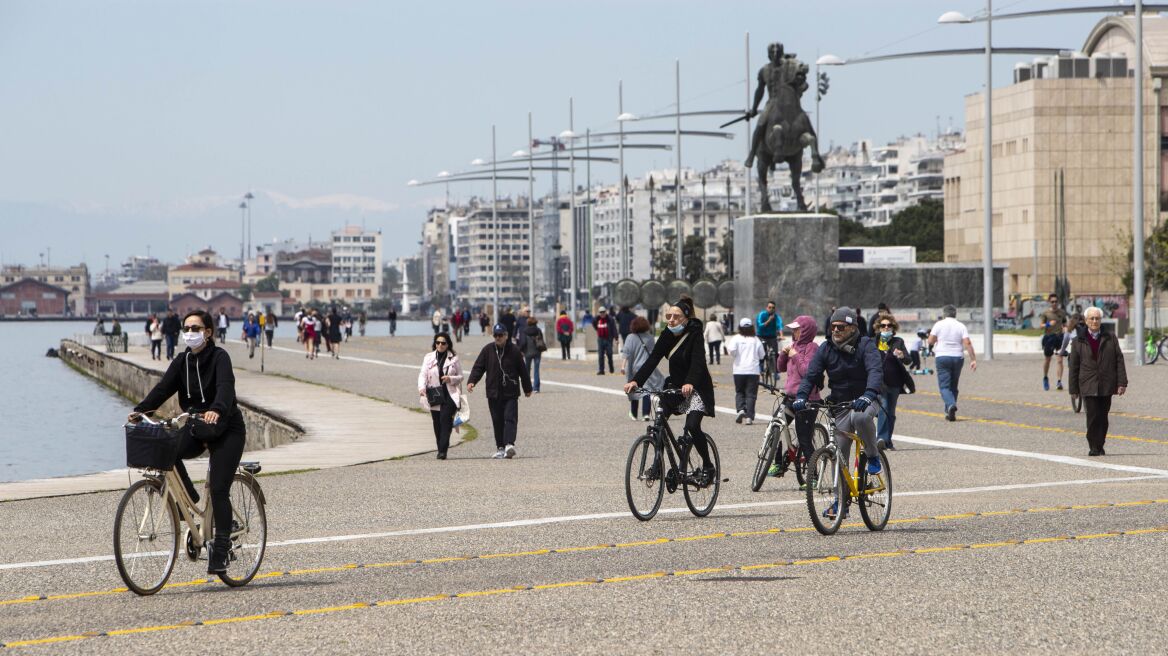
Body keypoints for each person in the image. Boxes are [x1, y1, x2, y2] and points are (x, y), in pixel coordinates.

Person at [129, 309, 245, 574]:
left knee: (218, 488)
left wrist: (216, 408)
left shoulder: (219, 357)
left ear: (208, 332)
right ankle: (190, 501)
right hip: (197, 427)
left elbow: (226, 387)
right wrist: (141, 411)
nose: (190, 333)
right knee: (166, 450)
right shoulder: (182, 361)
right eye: (187, 329)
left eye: (196, 328)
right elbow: (163, 388)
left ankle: (222, 548)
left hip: (227, 428)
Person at [792, 307, 883, 519]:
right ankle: (840, 503)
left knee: (860, 417)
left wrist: (869, 394)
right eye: (833, 327)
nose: (836, 330)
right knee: (839, 453)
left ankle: (872, 456)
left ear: (853, 328)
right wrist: (801, 397)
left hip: (866, 399)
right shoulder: (826, 348)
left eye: (841, 327)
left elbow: (875, 371)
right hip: (841, 403)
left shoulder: (866, 345)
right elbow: (811, 375)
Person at [624, 296, 715, 478]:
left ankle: (708, 466)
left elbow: (698, 362)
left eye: (676, 316)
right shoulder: (667, 334)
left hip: (696, 388)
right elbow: (653, 359)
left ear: (686, 318)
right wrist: (636, 381)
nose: (671, 320)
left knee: (692, 426)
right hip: (675, 387)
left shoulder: (694, 334)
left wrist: (690, 382)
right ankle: (657, 466)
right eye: (669, 316)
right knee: (659, 422)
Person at [467, 323, 532, 459]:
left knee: (510, 418)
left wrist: (527, 388)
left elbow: (523, 371)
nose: (498, 338)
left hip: (510, 392)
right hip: (493, 392)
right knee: (497, 420)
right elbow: (478, 367)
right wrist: (472, 381)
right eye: (495, 335)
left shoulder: (514, 351)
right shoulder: (487, 350)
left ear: (506, 336)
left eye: (500, 335)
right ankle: (500, 447)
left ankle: (509, 444)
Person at [1068, 307, 1128, 456]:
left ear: (1101, 320)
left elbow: (1119, 360)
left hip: (1106, 383)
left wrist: (1122, 383)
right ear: (1086, 320)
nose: (1094, 321)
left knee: (1103, 417)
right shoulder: (1078, 341)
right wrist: (1073, 389)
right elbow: (1073, 367)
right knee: (1092, 416)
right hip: (1088, 384)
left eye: (1097, 318)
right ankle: (1093, 445)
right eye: (1092, 318)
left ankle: (1100, 444)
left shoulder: (1110, 338)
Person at [776, 316, 821, 480]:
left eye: (797, 329)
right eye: (793, 329)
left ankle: (813, 476)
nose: (793, 332)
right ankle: (778, 463)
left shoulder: (813, 347)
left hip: (808, 398)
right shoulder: (793, 345)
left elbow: (808, 372)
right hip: (789, 396)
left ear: (806, 330)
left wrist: (795, 355)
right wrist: (783, 354)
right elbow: (780, 367)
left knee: (804, 438)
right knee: (776, 427)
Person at [928, 305, 977, 422]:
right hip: (957, 357)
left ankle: (950, 405)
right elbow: (968, 343)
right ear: (955, 314)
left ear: (944, 314)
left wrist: (934, 341)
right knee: (953, 386)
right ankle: (950, 412)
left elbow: (930, 340)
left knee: (944, 386)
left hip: (942, 357)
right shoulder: (961, 326)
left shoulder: (938, 325)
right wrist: (973, 359)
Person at [418, 331, 462, 459]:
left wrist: (450, 379)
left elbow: (461, 377)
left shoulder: (454, 358)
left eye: (443, 343)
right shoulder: (428, 357)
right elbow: (423, 374)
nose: (440, 345)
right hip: (435, 393)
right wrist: (421, 388)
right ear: (435, 344)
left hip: (449, 394)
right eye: (438, 342)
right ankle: (440, 446)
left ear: (448, 345)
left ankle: (443, 450)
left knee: (445, 420)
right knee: (437, 422)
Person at [874, 315, 913, 450]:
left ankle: (887, 441)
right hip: (880, 383)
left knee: (891, 412)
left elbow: (909, 360)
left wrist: (902, 355)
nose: (886, 327)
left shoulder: (898, 341)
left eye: (889, 325)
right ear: (878, 328)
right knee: (883, 408)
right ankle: (880, 438)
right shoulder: (873, 342)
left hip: (895, 382)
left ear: (893, 328)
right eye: (883, 325)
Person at [620, 316, 663, 421]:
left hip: (634, 368)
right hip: (647, 368)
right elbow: (654, 354)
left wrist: (622, 366)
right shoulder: (650, 337)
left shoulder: (630, 337)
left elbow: (626, 353)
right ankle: (646, 414)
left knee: (634, 389)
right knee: (646, 390)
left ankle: (634, 414)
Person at [726, 317, 765, 425]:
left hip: (739, 370)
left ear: (740, 327)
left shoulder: (736, 338)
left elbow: (732, 351)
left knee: (739, 392)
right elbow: (762, 355)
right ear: (751, 327)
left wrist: (737, 355)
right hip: (753, 370)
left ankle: (740, 410)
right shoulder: (755, 339)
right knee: (751, 394)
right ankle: (749, 417)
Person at [1039, 293, 1068, 390]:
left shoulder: (1062, 312)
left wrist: (1065, 328)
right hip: (1049, 338)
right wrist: (1048, 324)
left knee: (1060, 359)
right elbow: (1040, 325)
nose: (1054, 303)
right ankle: (1045, 377)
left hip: (1060, 337)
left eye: (1056, 301)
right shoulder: (1046, 313)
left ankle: (1059, 381)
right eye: (1052, 302)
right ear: (1049, 302)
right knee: (1048, 359)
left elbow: (1064, 323)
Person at [516, 316, 545, 393]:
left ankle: (528, 387)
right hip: (537, 352)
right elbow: (541, 340)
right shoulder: (538, 330)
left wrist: (520, 350)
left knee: (527, 371)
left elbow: (523, 342)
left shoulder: (524, 331)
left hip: (527, 352)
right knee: (536, 370)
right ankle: (536, 388)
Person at [594, 307, 617, 375]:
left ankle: (611, 368)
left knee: (609, 354)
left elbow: (614, 329)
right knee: (600, 355)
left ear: (605, 312)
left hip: (608, 339)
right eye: (601, 312)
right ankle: (601, 370)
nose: (602, 313)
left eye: (603, 312)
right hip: (600, 339)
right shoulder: (597, 319)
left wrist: (616, 338)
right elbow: (593, 323)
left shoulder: (610, 319)